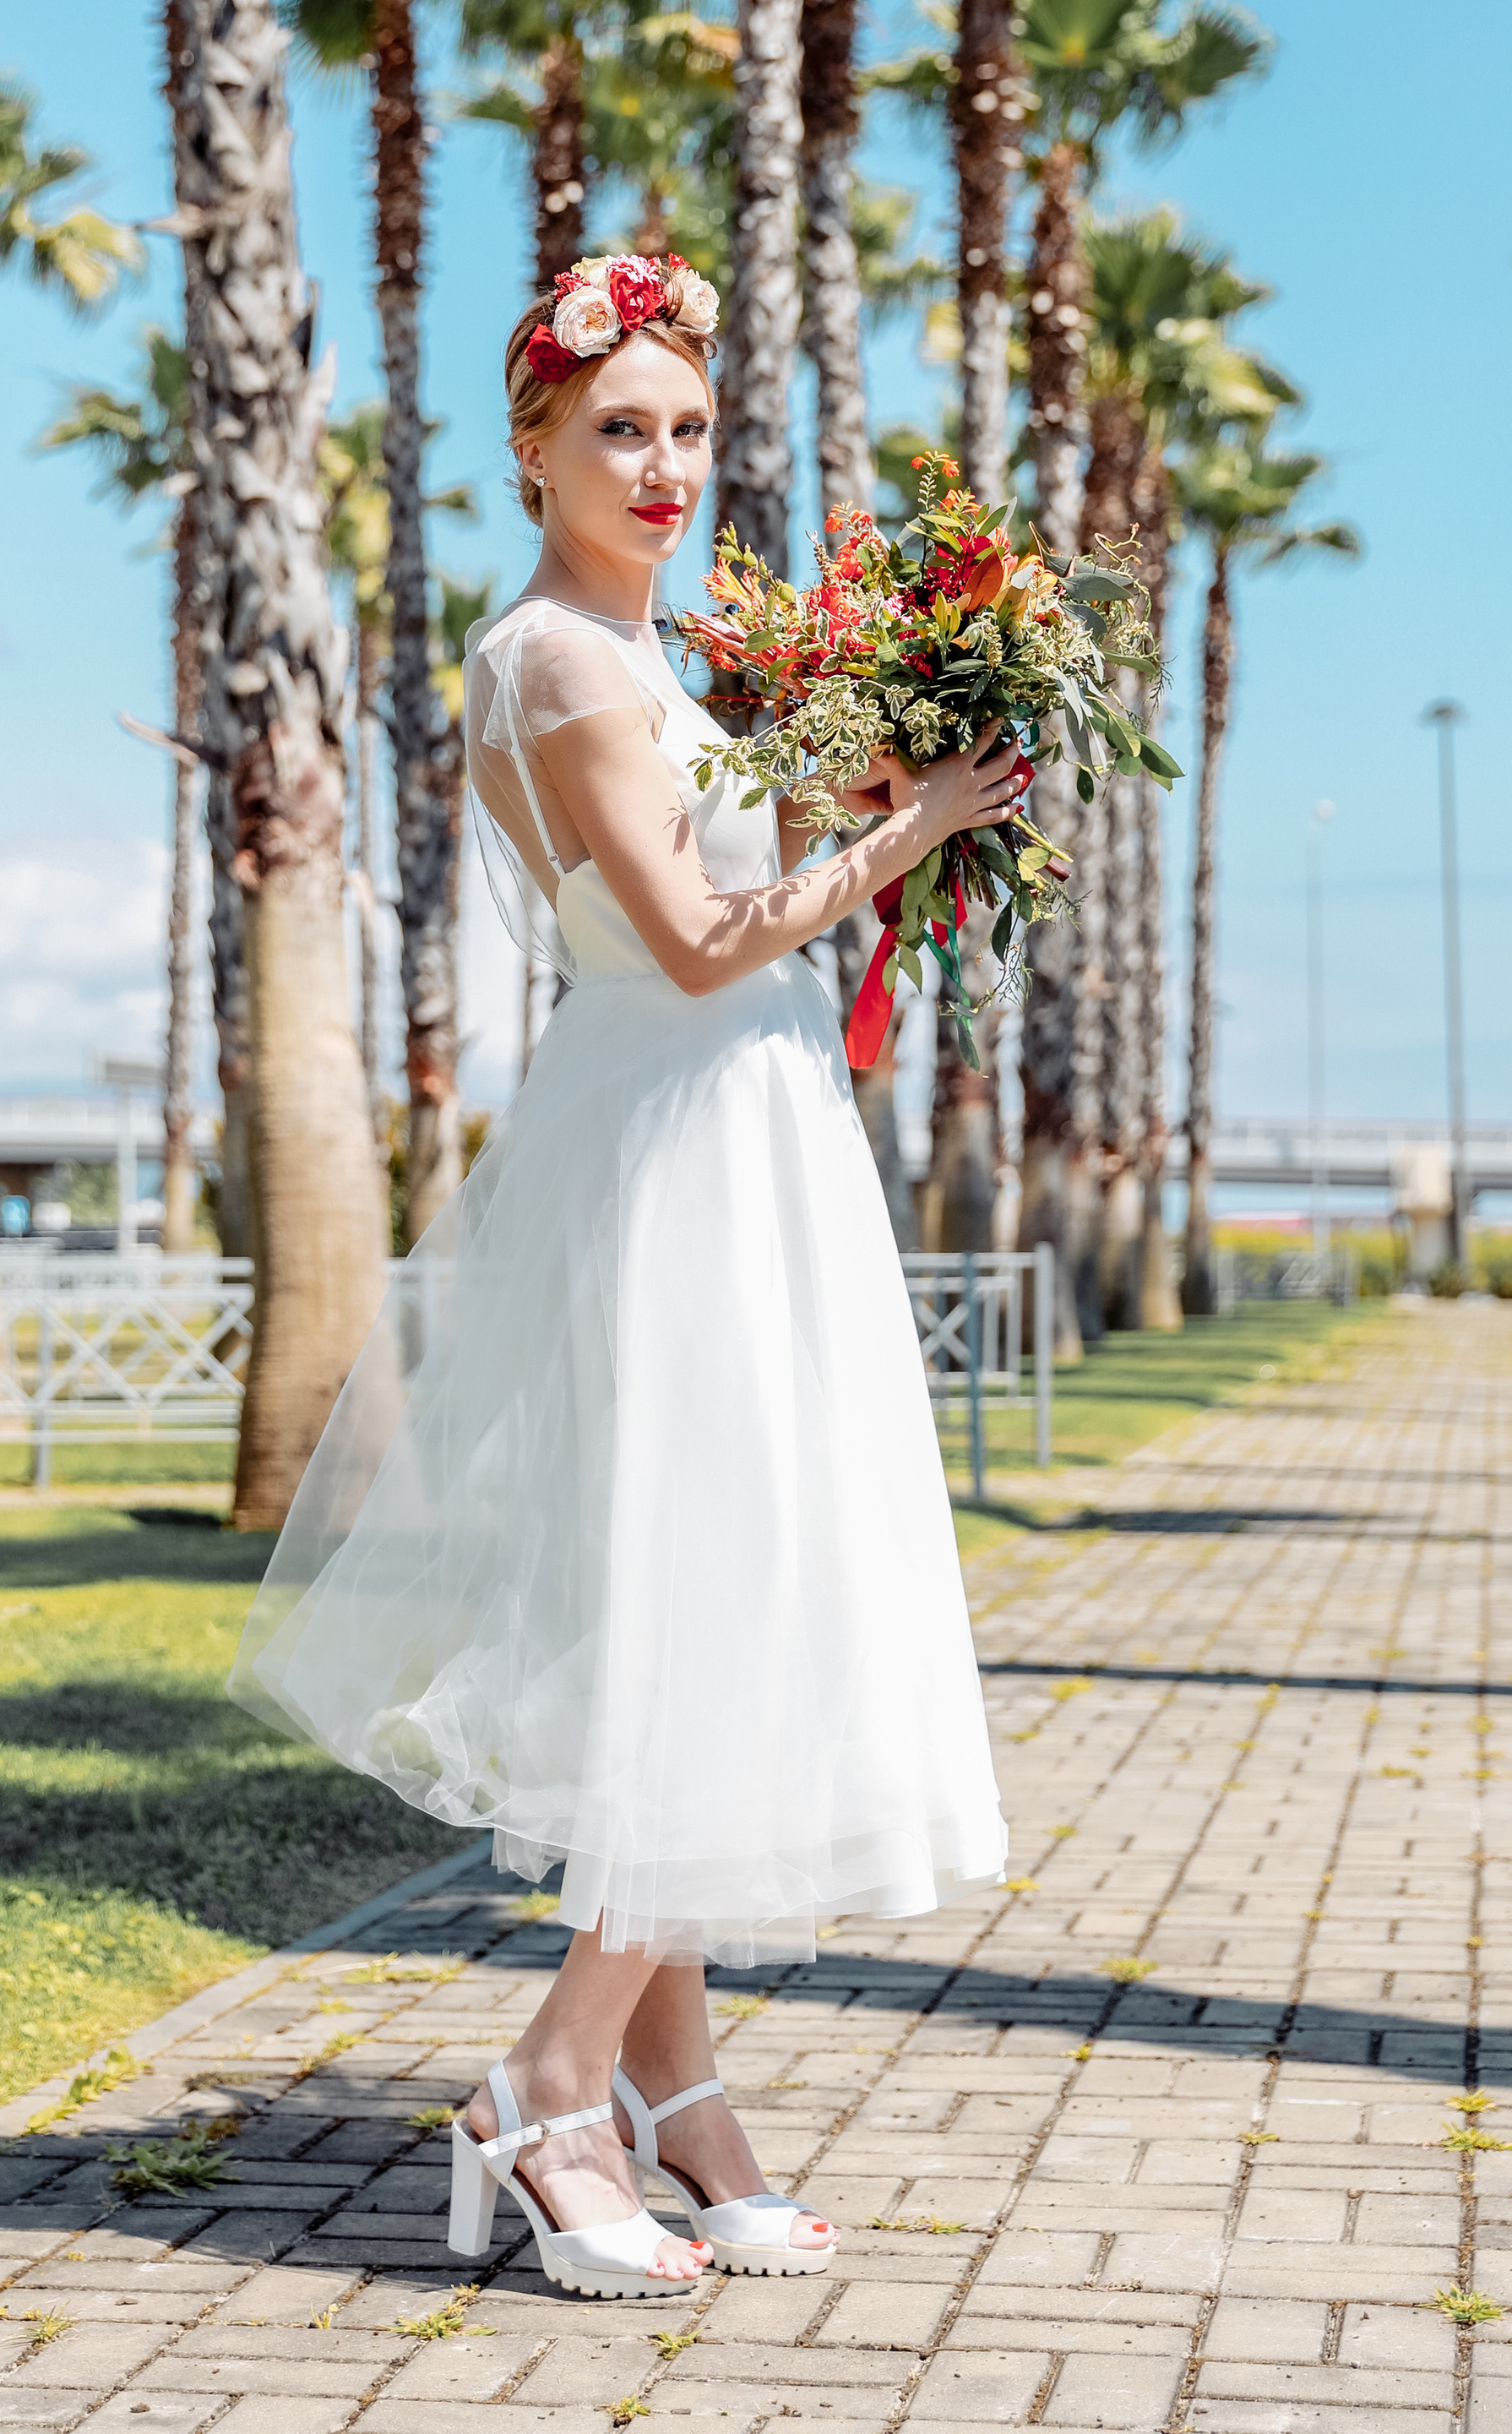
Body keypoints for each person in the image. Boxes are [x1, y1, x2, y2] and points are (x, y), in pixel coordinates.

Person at [234, 253, 1015, 2300]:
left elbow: (719, 897)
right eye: (617, 432)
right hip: (678, 1147)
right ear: (532, 452)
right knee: (721, 1595)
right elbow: (688, 937)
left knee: (710, 1600)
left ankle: (677, 2112)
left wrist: (861, 795)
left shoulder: (643, 657)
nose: (662, 465)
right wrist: (914, 823)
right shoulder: (558, 667)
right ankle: (546, 2083)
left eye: (685, 429)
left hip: (734, 1136)